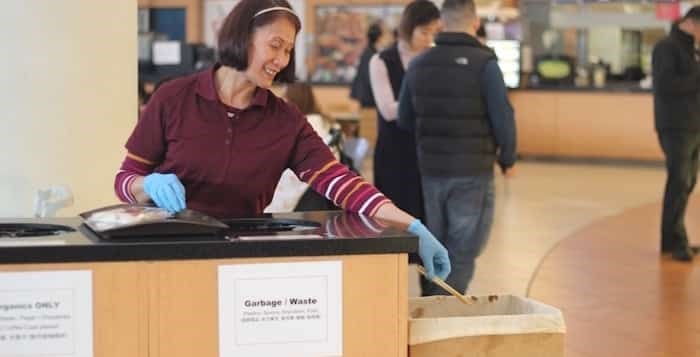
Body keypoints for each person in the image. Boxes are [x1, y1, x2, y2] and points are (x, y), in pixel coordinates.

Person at [113, 0, 450, 280]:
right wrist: (149, 185)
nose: (281, 60)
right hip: (165, 256)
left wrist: (411, 226)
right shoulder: (174, 97)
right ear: (242, 36)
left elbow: (342, 183)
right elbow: (124, 181)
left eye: (288, 50)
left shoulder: (285, 121)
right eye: (275, 45)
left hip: (237, 262)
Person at [398, 0, 517, 295]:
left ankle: (431, 304)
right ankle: (445, 310)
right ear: (475, 22)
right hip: (472, 172)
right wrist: (508, 159)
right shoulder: (485, 64)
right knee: (463, 248)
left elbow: (404, 118)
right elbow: (503, 117)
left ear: (441, 23)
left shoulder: (418, 63)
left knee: (435, 242)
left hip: (431, 171)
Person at [369, 0, 442, 221]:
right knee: (393, 218)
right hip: (393, 152)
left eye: (434, 33)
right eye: (424, 32)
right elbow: (388, 110)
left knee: (424, 217)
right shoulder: (381, 60)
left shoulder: (433, 59)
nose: (429, 39)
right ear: (409, 27)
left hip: (425, 151)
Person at [652, 6, 700, 262]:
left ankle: (673, 239)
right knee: (679, 181)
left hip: (693, 125)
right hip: (675, 125)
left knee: (688, 182)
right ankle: (674, 240)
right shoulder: (667, 47)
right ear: (691, 23)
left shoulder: (692, 48)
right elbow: (666, 84)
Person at [350, 22, 388, 108]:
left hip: (368, 96)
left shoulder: (370, 52)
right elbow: (369, 78)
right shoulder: (371, 55)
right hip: (368, 97)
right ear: (379, 37)